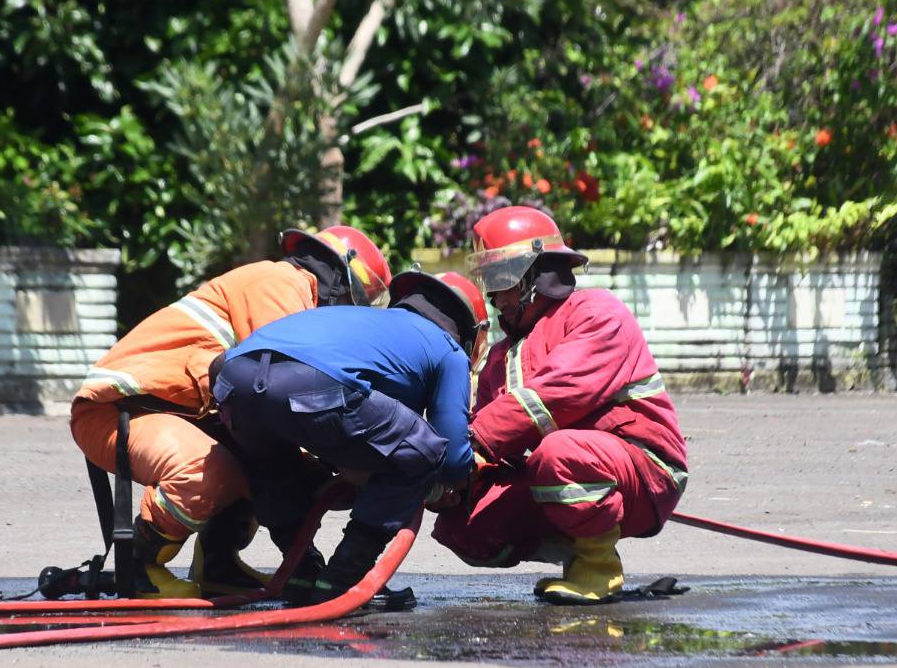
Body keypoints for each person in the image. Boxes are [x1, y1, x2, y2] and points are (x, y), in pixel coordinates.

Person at [71, 226, 392, 599]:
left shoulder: (294, 295)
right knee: (210, 471)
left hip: (166, 410)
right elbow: (289, 397)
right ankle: (140, 566)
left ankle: (219, 565)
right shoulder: (283, 283)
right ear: (342, 279)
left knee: (263, 459)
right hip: (116, 410)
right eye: (362, 299)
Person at [431, 206, 687, 604]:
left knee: (558, 454)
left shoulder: (596, 312)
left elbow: (557, 393)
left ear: (537, 276)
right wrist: (456, 479)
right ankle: (576, 544)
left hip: (644, 471)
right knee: (465, 522)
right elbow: (493, 446)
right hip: (567, 472)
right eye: (489, 281)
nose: (494, 296)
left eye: (502, 279)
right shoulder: (500, 357)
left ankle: (597, 568)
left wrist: (474, 441)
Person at [213, 271, 488, 606]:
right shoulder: (447, 349)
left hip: (233, 379)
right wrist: (441, 483)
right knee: (425, 450)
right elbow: (452, 459)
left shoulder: (367, 324)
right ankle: (344, 580)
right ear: (469, 334)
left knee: (273, 465)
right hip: (308, 384)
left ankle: (303, 574)